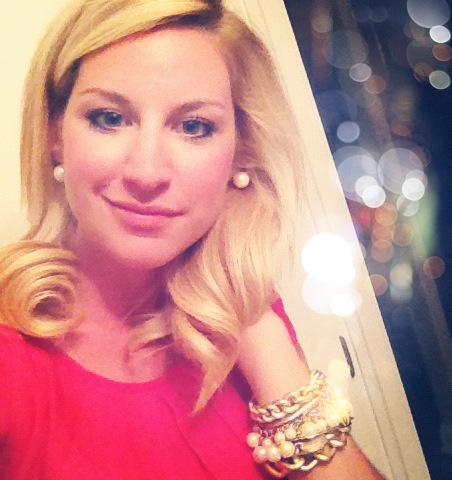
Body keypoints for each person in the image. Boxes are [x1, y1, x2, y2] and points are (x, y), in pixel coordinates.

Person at [0, 0, 383, 478]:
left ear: (241, 153)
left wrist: (252, 321)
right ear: (55, 134)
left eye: (193, 127)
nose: (147, 173)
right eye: (109, 118)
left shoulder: (243, 311)